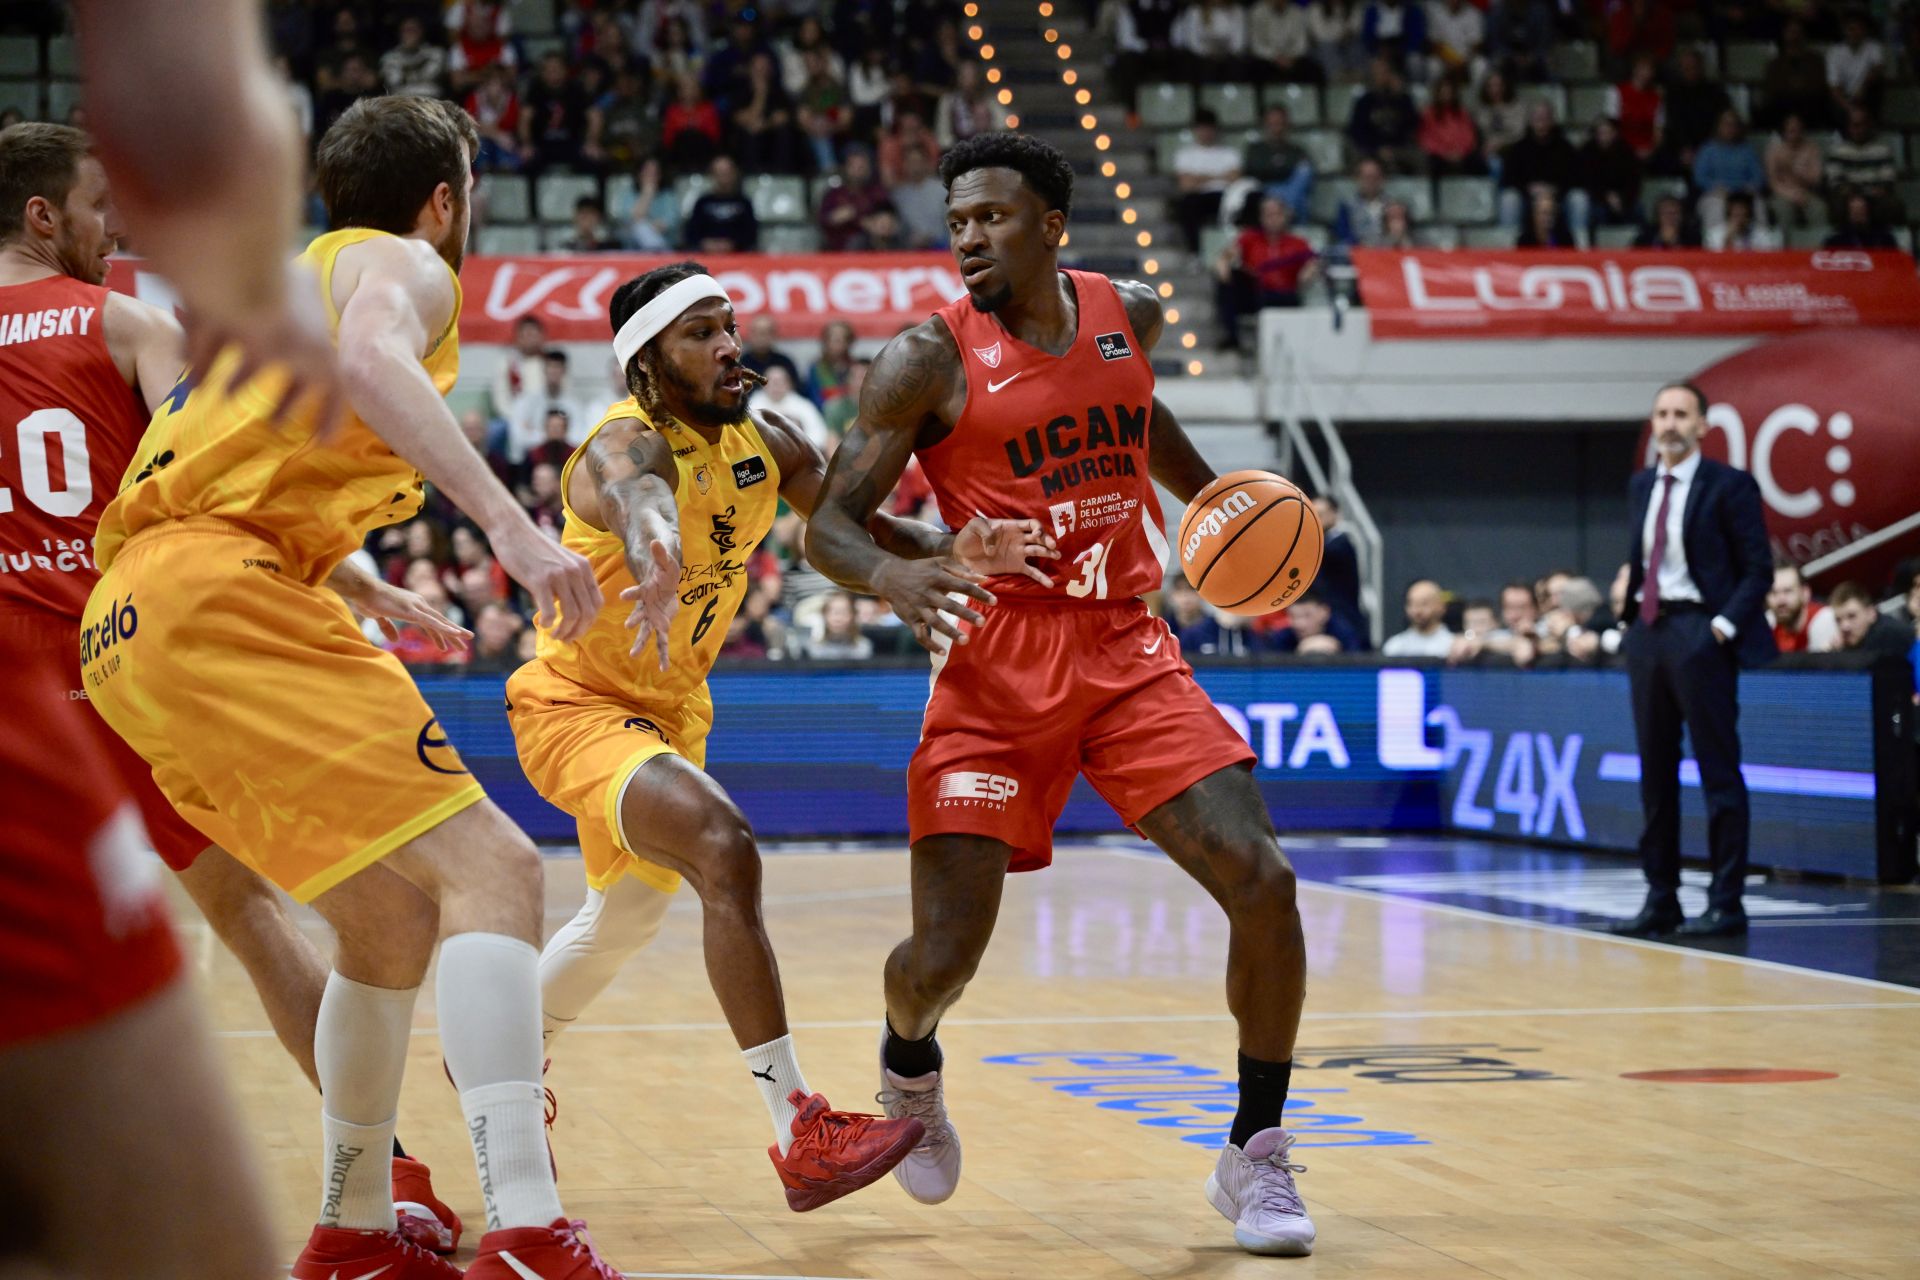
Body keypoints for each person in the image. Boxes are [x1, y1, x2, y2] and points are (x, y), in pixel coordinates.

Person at [80, 96, 631, 1279]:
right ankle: (531, 1228)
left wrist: (356, 580)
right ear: (447, 197)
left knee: (385, 921)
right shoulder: (404, 262)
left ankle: (352, 1228)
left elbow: (236, 462)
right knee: (499, 868)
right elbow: (371, 359)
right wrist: (515, 532)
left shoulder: (261, 295)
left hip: (129, 622)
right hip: (222, 592)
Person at [805, 131, 1317, 1258]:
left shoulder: (1129, 306)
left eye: (990, 217)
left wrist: (1223, 509)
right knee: (943, 956)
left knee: (1265, 880)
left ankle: (1258, 1149)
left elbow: (1134, 413)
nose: (968, 238)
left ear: (1050, 226)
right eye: (956, 223)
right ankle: (908, 1061)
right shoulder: (923, 361)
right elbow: (828, 522)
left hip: (1127, 646)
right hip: (996, 662)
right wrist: (900, 570)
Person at [0, 118, 469, 1259]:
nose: (117, 232)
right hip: (115, 669)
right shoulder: (121, 322)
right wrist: (362, 580)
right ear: (42, 214)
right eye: (101, 207)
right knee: (256, 914)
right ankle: (381, 1168)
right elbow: (203, 482)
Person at [511, 262, 1042, 1208]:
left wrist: (955, 546)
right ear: (647, 365)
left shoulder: (771, 440)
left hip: (672, 707)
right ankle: (802, 1127)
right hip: (575, 701)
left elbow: (856, 527)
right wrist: (657, 551)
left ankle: (501, 1062)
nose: (729, 346)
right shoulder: (621, 443)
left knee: (625, 919)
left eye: (728, 325)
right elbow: (638, 501)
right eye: (700, 334)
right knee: (724, 844)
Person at [1611, 383, 1774, 941]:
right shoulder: (1641, 486)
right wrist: (1625, 625)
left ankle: (1727, 901)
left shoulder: (1729, 486)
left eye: (1681, 414)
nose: (1670, 423)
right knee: (1655, 775)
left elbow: (1759, 570)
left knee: (1718, 772)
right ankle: (1662, 898)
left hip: (1701, 631)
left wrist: (1721, 628)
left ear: (1703, 425)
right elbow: (1639, 560)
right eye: (1661, 414)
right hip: (1650, 634)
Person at [1213, 195, 1318, 351]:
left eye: (1276, 214)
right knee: (1231, 281)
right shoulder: (1250, 238)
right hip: (1255, 293)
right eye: (1268, 215)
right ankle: (1232, 337)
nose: (1272, 219)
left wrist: (1308, 273)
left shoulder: (1298, 243)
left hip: (1284, 295)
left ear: (1285, 216)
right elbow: (1228, 255)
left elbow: (1313, 262)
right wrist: (1223, 266)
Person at [1172, 109, 1243, 255]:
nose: (1206, 132)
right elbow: (1185, 185)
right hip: (1199, 197)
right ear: (1196, 130)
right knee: (1187, 204)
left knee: (1242, 202)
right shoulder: (1185, 155)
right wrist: (1221, 176)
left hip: (1225, 196)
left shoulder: (1230, 153)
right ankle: (1195, 252)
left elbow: (1236, 180)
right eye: (1202, 128)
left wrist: (1199, 177)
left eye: (1209, 128)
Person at [1309, 493, 1366, 643]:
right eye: (1313, 514)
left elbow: (1329, 553)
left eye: (1321, 514)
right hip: (1324, 618)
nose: (1317, 518)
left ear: (1335, 514)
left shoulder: (1341, 543)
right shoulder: (1323, 542)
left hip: (1344, 618)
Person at [684, 154, 760, 252]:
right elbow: (692, 233)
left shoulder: (744, 203)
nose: (723, 177)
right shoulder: (702, 202)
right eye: (719, 173)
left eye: (726, 172)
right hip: (705, 256)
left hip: (738, 256)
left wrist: (733, 244)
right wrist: (706, 243)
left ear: (734, 173)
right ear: (712, 175)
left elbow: (751, 235)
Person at [1769, 562, 1840, 653]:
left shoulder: (1824, 619)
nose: (1780, 601)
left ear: (1805, 593)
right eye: (1773, 593)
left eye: (1788, 591)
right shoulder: (1769, 622)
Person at [1829, 581, 1912, 657]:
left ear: (1871, 613)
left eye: (1852, 616)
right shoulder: (1854, 641)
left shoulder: (1889, 634)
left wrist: (1840, 656)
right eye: (1838, 620)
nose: (1844, 626)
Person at [1381, 579, 1456, 656]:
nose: (1417, 611)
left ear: (1441, 607)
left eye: (1424, 604)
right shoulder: (1395, 646)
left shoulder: (1454, 646)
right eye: (1411, 604)